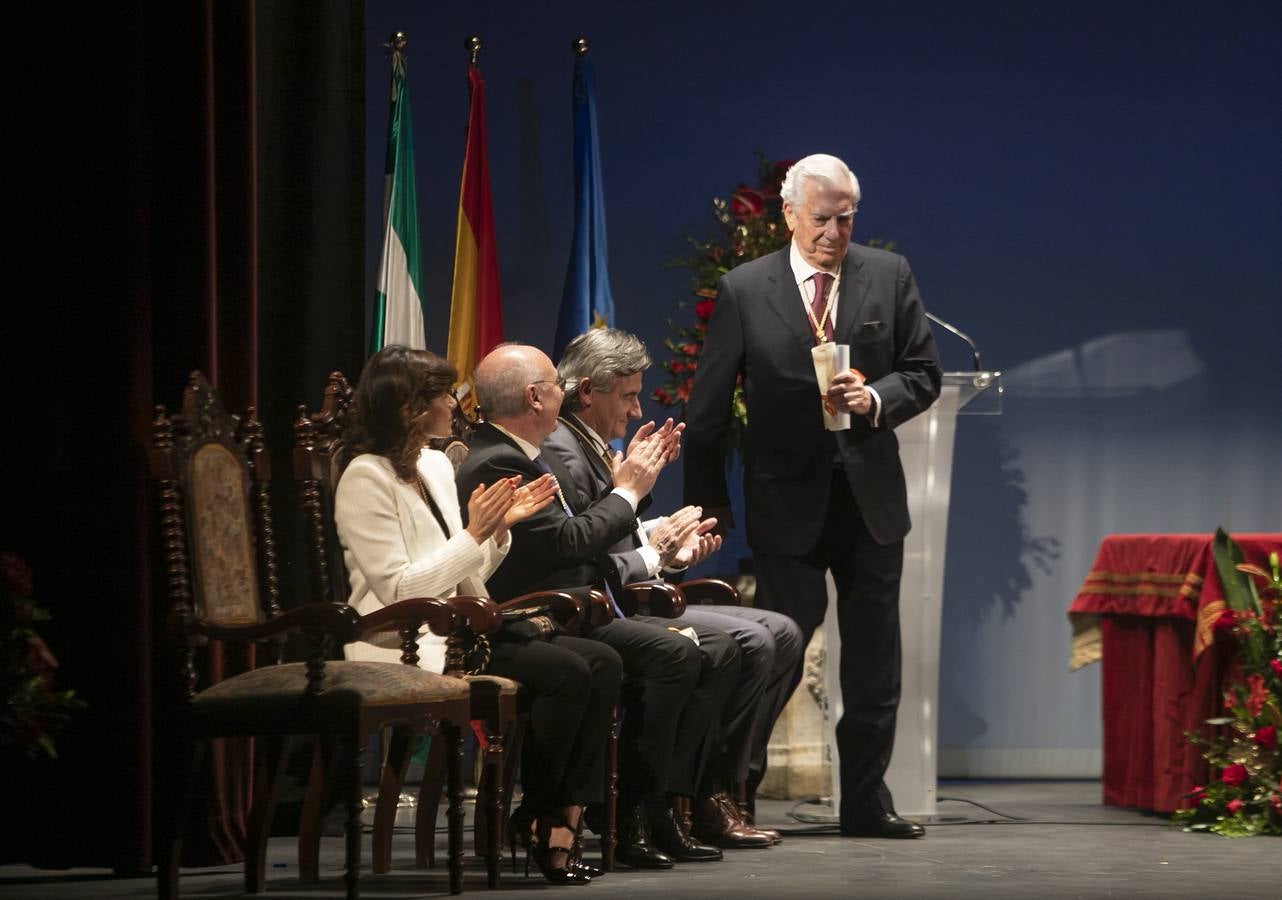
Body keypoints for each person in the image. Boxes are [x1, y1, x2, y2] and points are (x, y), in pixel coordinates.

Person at [683, 154, 942, 839]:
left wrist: (875, 397)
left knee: (873, 663)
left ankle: (865, 802)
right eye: (822, 218)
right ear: (791, 214)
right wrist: (709, 509)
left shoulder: (888, 277)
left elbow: (923, 374)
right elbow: (708, 411)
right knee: (776, 656)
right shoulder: (745, 288)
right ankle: (736, 794)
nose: (834, 232)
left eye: (846, 218)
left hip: (870, 505)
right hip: (785, 504)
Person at [335, 344, 622, 883]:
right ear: (411, 406)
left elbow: (470, 574)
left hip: (463, 628)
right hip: (404, 639)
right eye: (443, 394)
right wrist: (474, 534)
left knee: (601, 661)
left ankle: (551, 815)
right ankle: (545, 819)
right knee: (568, 672)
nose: (455, 403)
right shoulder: (364, 477)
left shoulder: (434, 464)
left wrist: (498, 531)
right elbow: (400, 587)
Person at [455, 343, 739, 868]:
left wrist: (656, 543)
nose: (564, 394)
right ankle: (618, 814)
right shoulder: (500, 459)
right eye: (554, 386)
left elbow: (578, 543)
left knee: (694, 651)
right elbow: (567, 546)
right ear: (534, 397)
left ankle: (625, 813)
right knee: (670, 655)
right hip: (535, 615)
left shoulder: (526, 454)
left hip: (572, 606)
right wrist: (628, 490)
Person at [545, 327, 803, 847]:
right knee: (748, 641)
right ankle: (690, 792)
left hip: (623, 594)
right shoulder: (563, 449)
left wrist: (667, 547)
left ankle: (714, 785)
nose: (638, 411)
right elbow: (583, 553)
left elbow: (612, 538)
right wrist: (652, 545)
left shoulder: (596, 446)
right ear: (588, 391)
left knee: (783, 632)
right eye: (629, 396)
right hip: (598, 609)